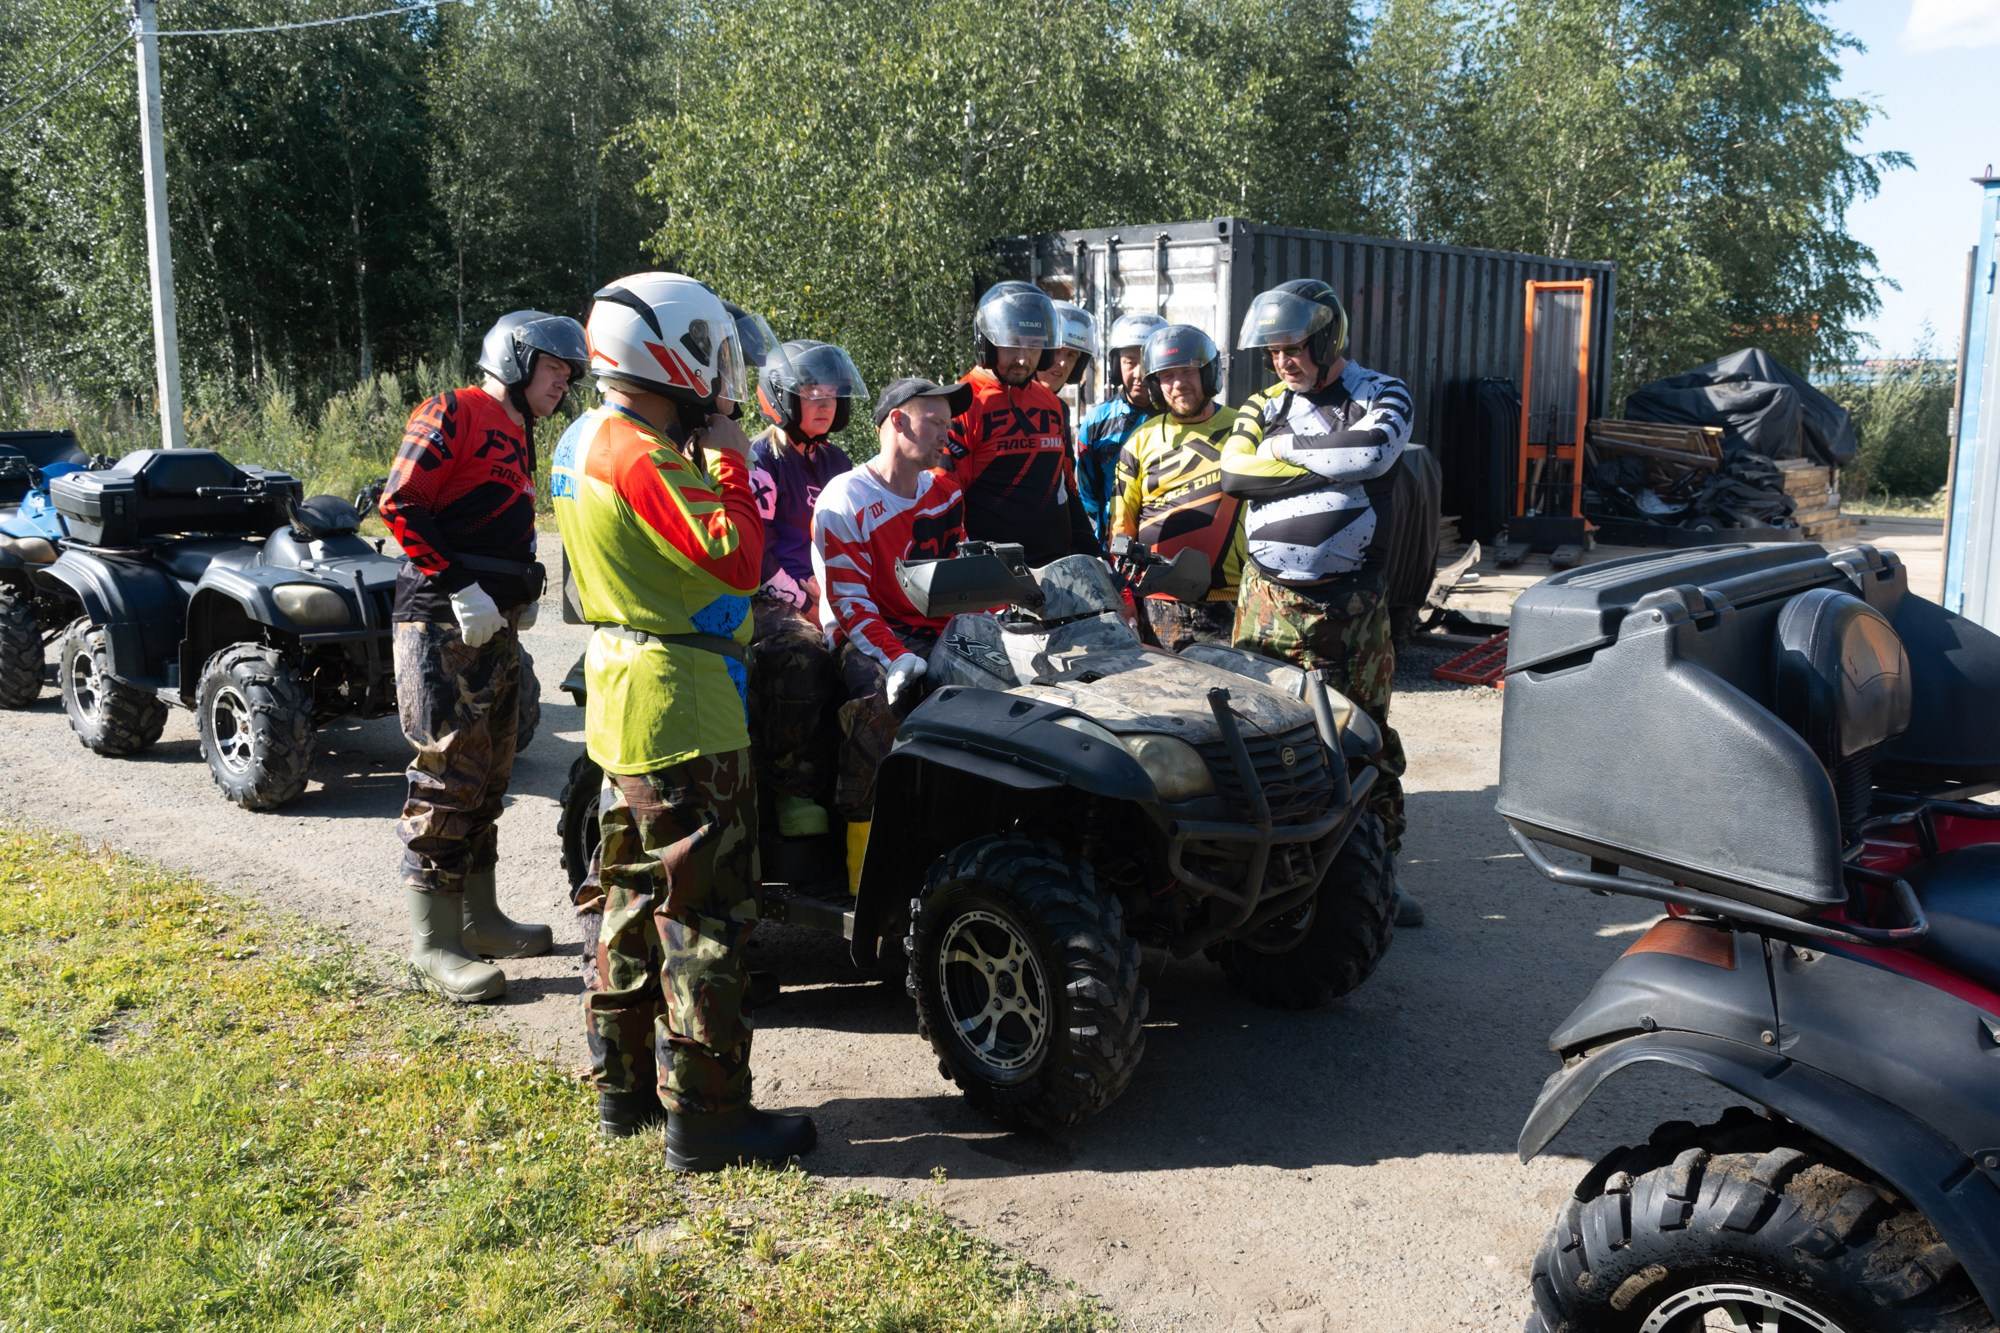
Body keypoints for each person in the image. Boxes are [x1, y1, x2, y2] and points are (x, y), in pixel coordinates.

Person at [550, 270, 816, 1167]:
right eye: (708, 355)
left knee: (624, 895)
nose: (718, 375)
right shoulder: (643, 455)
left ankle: (621, 1087)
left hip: (623, 691)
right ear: (668, 354)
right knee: (704, 913)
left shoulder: (583, 436)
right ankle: (707, 1112)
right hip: (686, 706)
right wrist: (733, 456)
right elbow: (740, 557)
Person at [382, 309, 586, 1004]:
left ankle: (480, 917)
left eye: (570, 371)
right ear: (517, 357)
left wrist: (514, 587)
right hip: (440, 621)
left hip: (493, 625)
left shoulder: (519, 430)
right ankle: (432, 944)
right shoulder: (453, 410)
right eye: (556, 366)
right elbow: (401, 502)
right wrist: (461, 586)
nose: (565, 381)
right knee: (445, 776)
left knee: (490, 774)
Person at [1220, 278, 1423, 928]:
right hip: (1266, 604)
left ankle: (1381, 875)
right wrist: (1321, 465)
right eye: (1274, 352)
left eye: (1295, 348)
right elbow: (1234, 473)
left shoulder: (1383, 393)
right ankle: (1263, 879)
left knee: (1363, 742)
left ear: (1329, 337)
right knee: (1258, 739)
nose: (1284, 363)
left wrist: (1278, 456)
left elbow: (1370, 449)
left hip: (1350, 610)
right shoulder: (1260, 404)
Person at [812, 377, 969, 889]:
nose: (947, 432)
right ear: (898, 421)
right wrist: (898, 657)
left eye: (949, 422)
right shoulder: (845, 497)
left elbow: (963, 576)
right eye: (936, 421)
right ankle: (863, 876)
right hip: (865, 635)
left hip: (934, 630)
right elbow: (851, 606)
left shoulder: (945, 490)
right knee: (880, 709)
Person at [745, 339, 865, 839]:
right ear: (782, 396)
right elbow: (755, 543)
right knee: (801, 654)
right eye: (812, 392)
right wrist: (799, 595)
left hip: (828, 591)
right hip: (771, 594)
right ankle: (793, 790)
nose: (824, 403)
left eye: (832, 395)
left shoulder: (838, 462)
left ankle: (859, 791)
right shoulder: (760, 457)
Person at [944, 282, 1097, 566]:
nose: (1024, 359)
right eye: (1013, 343)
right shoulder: (962, 404)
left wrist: (1096, 558)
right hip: (996, 580)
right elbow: (945, 502)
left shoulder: (1050, 404)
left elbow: (1068, 491)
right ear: (987, 343)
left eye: (1035, 345)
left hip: (1059, 573)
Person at [1110, 323, 1243, 650]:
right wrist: (1125, 597)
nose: (1178, 384)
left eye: (1188, 371)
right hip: (1160, 607)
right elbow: (1120, 531)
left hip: (1232, 602)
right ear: (1156, 384)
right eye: (1167, 375)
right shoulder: (1140, 442)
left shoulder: (1246, 431)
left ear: (1209, 374)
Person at [1076, 312, 1167, 544]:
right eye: (1130, 362)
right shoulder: (1097, 421)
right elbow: (1088, 493)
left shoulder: (1179, 418)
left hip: (1167, 540)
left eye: (1146, 362)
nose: (1139, 374)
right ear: (1116, 366)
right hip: (1114, 546)